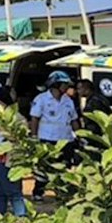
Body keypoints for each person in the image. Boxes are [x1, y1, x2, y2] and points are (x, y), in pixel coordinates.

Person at [28, 69, 80, 198]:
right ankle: (38, 192)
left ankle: (61, 192)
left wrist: (80, 135)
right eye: (64, 84)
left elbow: (74, 120)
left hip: (65, 139)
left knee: (64, 166)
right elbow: (34, 119)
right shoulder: (41, 99)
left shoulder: (68, 101)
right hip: (47, 138)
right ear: (56, 84)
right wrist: (34, 137)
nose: (67, 87)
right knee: (44, 167)